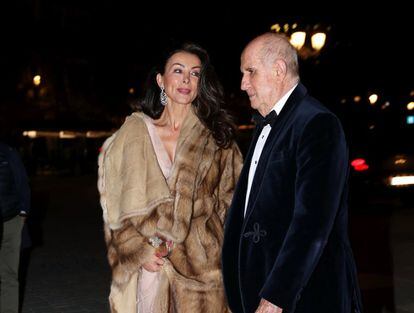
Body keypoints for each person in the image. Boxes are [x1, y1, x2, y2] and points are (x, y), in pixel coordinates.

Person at [221, 33, 363, 313]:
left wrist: (276, 296)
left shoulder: (318, 124)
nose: (242, 83)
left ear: (279, 69)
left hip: (303, 298)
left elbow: (311, 224)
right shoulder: (266, 125)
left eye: (250, 72)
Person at [98, 42, 242, 313]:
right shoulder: (134, 133)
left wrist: (220, 257)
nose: (187, 79)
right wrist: (138, 250)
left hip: (202, 275)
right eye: (178, 71)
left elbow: (233, 207)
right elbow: (114, 205)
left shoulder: (218, 140)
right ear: (161, 80)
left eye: (195, 73)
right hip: (151, 267)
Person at [0, 141, 31, 313]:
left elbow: (22, 183)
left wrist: (23, 213)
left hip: (10, 221)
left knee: (9, 274)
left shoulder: (8, 152)